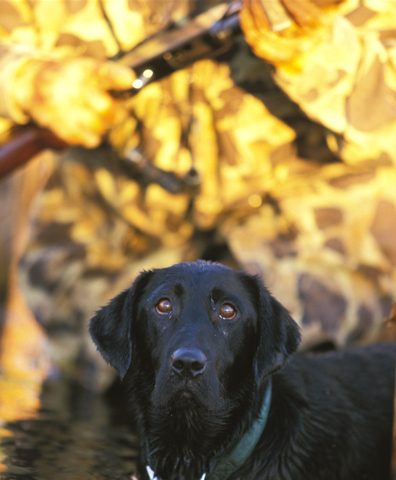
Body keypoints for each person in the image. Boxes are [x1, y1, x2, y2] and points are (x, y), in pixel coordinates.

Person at [0, 0, 395, 396]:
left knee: (292, 397)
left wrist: (319, 50)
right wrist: (26, 81)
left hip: (314, 244)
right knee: (103, 393)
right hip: (107, 248)